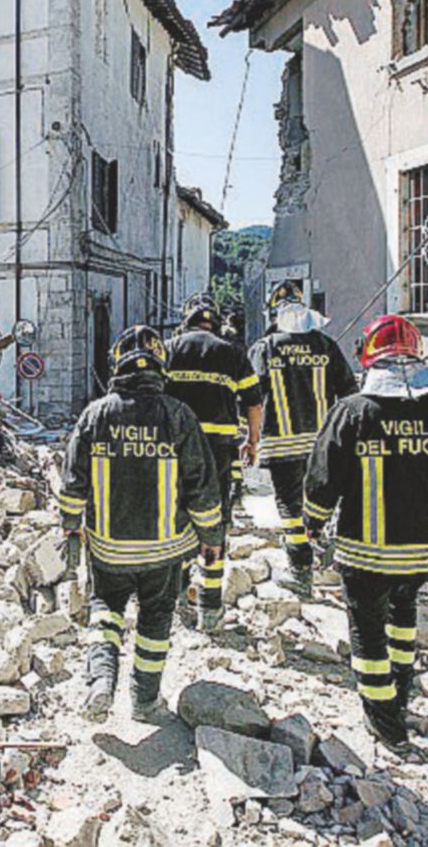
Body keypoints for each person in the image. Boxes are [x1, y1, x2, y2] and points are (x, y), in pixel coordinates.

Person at [303, 314, 428, 747]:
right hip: (422, 555)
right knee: (403, 621)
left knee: (368, 635)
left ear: (368, 359)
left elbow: (322, 478)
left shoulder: (352, 413)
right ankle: (400, 697)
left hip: (365, 556)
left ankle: (384, 722)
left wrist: (313, 521)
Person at [60, 324, 224, 723]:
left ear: (117, 365)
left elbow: (72, 483)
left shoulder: (94, 415)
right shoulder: (179, 415)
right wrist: (211, 537)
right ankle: (144, 700)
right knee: (155, 621)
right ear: (159, 367)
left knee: (105, 611)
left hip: (109, 549)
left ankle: (101, 679)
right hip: (164, 552)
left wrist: (71, 526)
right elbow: (202, 486)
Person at [248, 281, 357, 597]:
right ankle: (327, 555)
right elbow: (350, 392)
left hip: (282, 444)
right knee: (323, 500)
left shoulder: (264, 348)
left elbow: (252, 395)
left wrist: (250, 437)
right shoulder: (325, 345)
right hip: (322, 444)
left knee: (290, 506)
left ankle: (300, 570)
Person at [165, 293, 263, 630]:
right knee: (215, 527)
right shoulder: (231, 352)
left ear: (187, 318)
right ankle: (209, 609)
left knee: (176, 522)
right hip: (219, 454)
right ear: (215, 321)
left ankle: (178, 599)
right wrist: (252, 441)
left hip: (175, 453)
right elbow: (253, 401)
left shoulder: (168, 349)